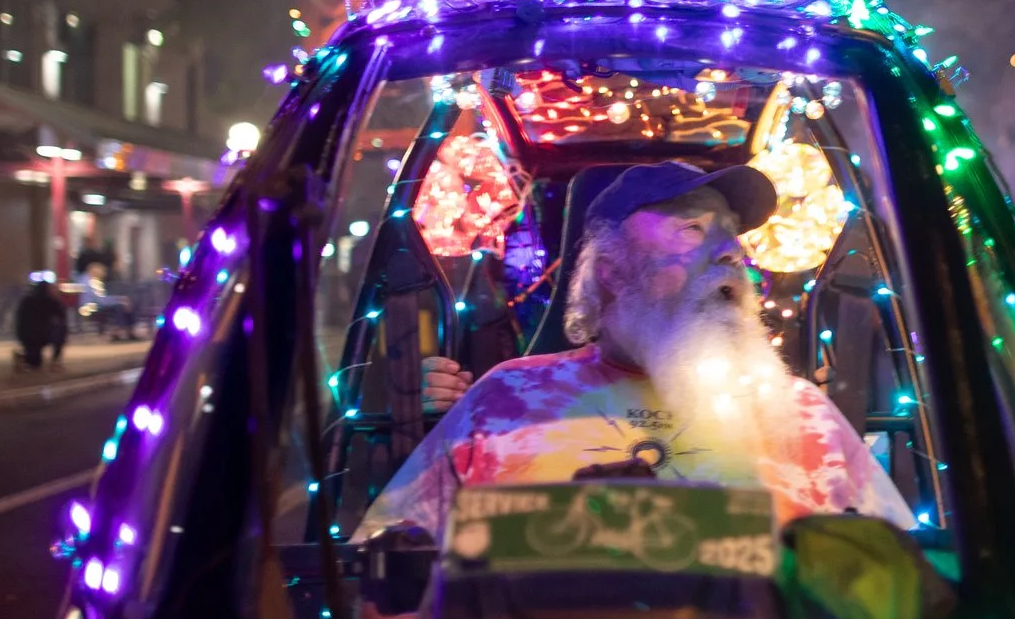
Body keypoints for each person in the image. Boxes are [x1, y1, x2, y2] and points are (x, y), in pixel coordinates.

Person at [368, 159, 914, 547]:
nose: (727, 252)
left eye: (729, 236)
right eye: (692, 229)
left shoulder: (802, 411)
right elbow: (383, 575)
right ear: (612, 271)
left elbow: (899, 574)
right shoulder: (505, 398)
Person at [12, 274, 68, 371]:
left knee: (34, 362)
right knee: (61, 331)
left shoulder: (27, 301)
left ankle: (23, 358)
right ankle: (55, 360)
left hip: (26, 336)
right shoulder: (51, 301)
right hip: (44, 335)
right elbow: (61, 317)